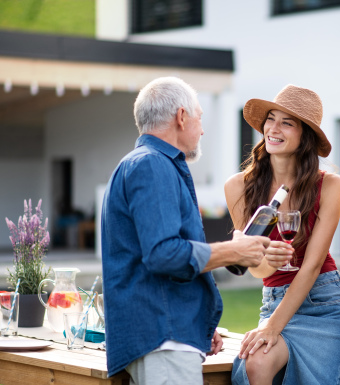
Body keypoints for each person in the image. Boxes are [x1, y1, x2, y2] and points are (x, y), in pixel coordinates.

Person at [101, 77, 271, 384]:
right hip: (162, 339)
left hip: (163, 333)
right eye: (199, 118)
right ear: (181, 117)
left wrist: (193, 323)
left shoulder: (139, 163)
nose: (202, 129)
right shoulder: (152, 165)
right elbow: (164, 254)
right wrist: (233, 251)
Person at [224, 84, 340, 385]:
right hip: (274, 299)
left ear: (305, 137)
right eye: (271, 119)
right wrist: (267, 261)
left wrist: (273, 327)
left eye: (287, 122)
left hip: (327, 306)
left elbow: (312, 266)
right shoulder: (238, 187)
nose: (274, 129)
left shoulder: (330, 185)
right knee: (254, 365)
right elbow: (257, 269)